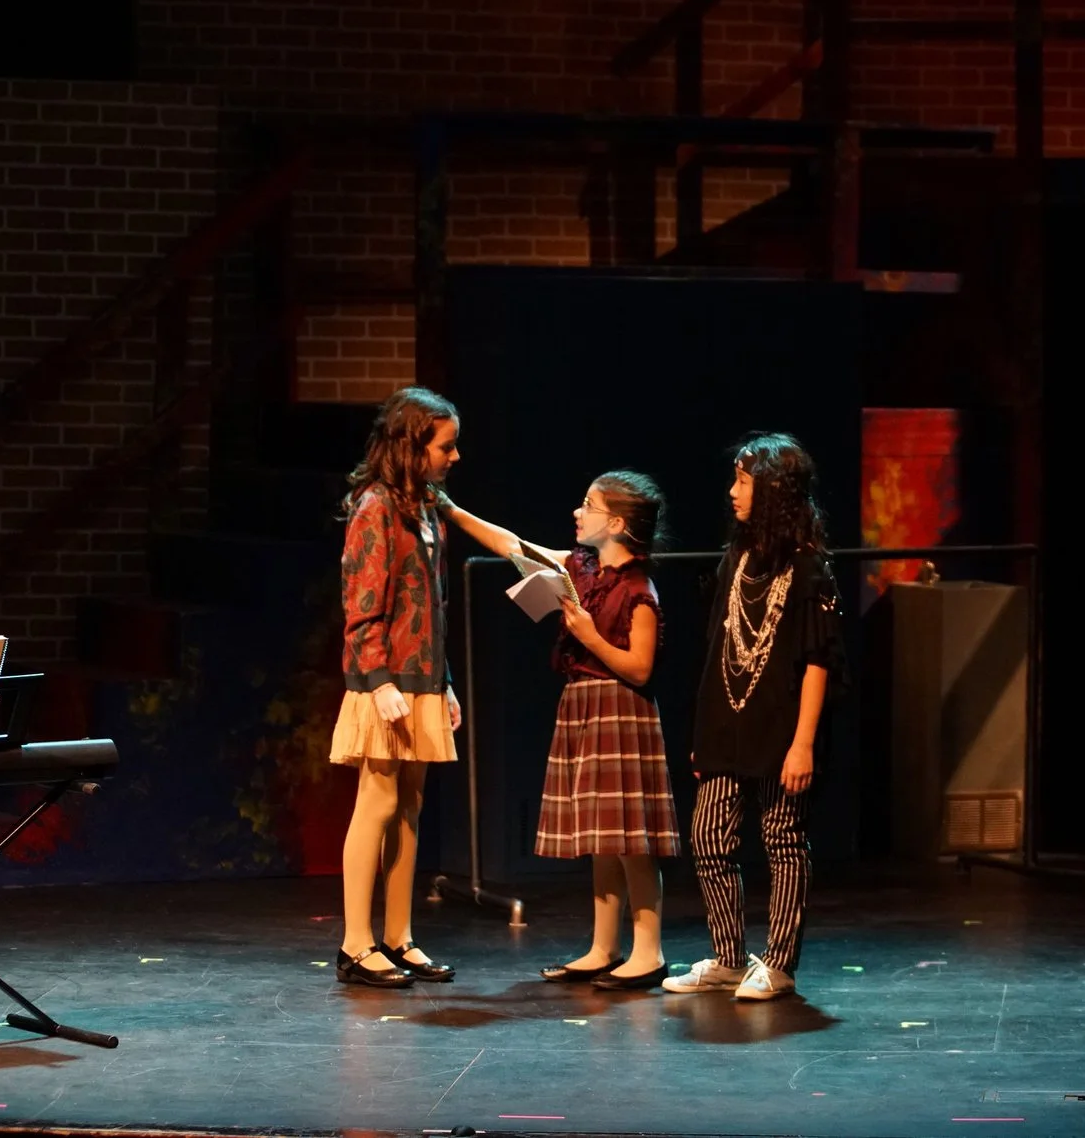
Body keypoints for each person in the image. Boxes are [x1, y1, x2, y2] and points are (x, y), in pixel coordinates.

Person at [446, 472, 682, 989]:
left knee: (631, 839)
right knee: (603, 836)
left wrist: (591, 638)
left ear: (615, 523)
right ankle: (604, 946)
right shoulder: (581, 570)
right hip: (583, 703)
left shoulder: (639, 590)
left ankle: (648, 952)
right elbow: (514, 546)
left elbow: (641, 668)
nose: (577, 512)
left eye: (588, 505)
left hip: (620, 709)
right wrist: (451, 510)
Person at [664, 434, 842, 1002]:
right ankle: (728, 958)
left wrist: (803, 743)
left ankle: (780, 963)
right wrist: (704, 733)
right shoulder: (736, 560)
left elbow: (818, 662)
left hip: (781, 730)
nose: (733, 492)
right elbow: (717, 650)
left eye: (744, 481)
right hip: (728, 727)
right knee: (709, 839)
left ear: (773, 491)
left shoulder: (809, 568)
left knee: (782, 839)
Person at [330, 387, 463, 988]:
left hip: (422, 676)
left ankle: (399, 936)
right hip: (384, 680)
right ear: (413, 446)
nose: (454, 456)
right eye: (445, 446)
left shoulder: (425, 507)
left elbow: (431, 605)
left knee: (409, 806)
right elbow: (362, 607)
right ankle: (355, 944)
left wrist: (444, 681)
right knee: (378, 802)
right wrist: (379, 680)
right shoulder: (375, 507)